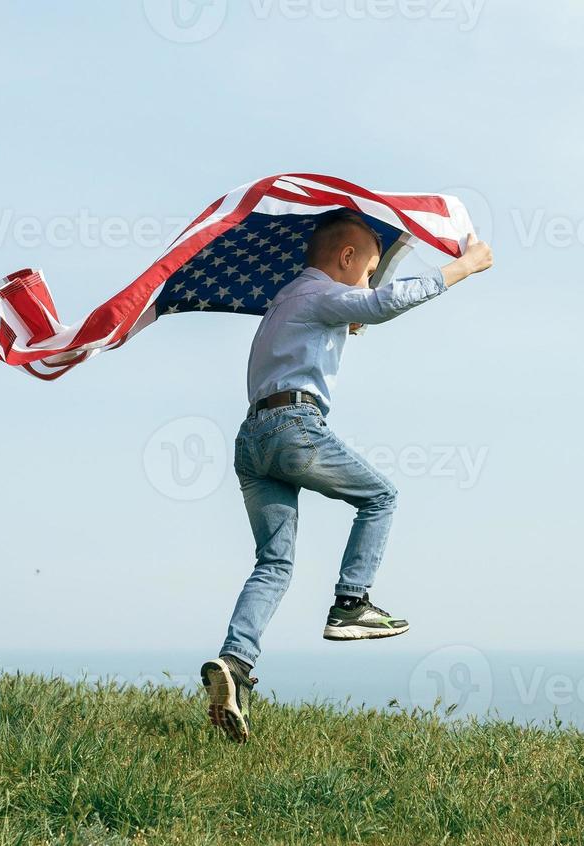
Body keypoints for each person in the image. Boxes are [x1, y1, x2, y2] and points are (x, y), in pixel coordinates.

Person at [201, 209, 494, 742]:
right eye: (367, 271)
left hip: (251, 439)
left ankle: (234, 665)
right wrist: (463, 268)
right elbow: (382, 304)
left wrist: (343, 318)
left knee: (273, 563)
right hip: (294, 427)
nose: (368, 283)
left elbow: (324, 327)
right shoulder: (317, 294)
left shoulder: (285, 302)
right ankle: (350, 604)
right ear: (346, 258)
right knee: (381, 496)